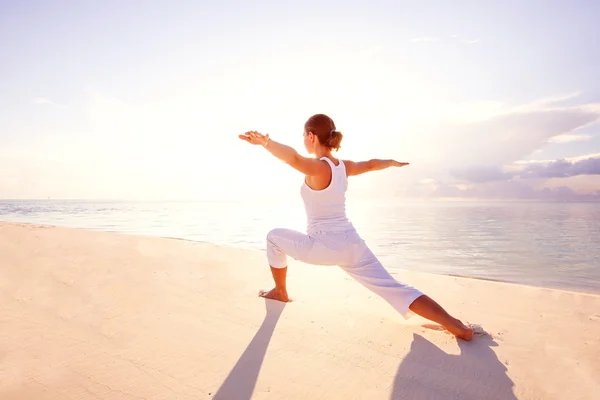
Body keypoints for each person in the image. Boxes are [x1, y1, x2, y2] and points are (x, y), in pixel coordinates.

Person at [238, 114, 474, 341]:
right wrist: (390, 163)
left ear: (311, 136)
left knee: (273, 237)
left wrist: (266, 143)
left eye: (303, 135)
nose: (302, 140)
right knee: (395, 288)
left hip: (323, 245)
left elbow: (293, 158)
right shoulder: (343, 166)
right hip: (353, 244)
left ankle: (280, 291)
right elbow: (370, 165)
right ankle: (456, 326)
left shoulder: (318, 167)